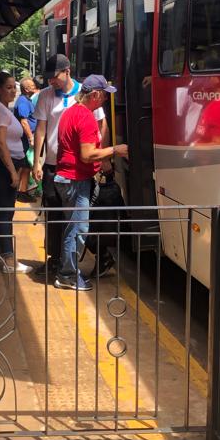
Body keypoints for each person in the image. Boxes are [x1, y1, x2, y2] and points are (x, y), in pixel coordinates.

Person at [32, 54, 106, 276]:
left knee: (79, 218)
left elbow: (102, 126)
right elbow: (41, 130)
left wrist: (101, 157)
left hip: (78, 167)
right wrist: (38, 160)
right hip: (54, 165)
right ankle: (55, 261)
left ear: (67, 72)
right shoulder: (45, 96)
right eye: (48, 79)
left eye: (54, 77)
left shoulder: (87, 92)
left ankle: (100, 256)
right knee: (54, 216)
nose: (50, 82)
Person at [53, 74, 128, 291]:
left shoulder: (71, 112)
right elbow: (87, 155)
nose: (105, 99)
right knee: (78, 229)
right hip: (75, 180)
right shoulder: (85, 117)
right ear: (95, 94)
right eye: (104, 95)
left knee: (74, 227)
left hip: (67, 178)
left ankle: (67, 272)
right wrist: (115, 150)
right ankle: (67, 275)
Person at [0, 71, 32, 273]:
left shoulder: (0, 109)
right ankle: (8, 259)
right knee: (4, 212)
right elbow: (0, 143)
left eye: (15, 87)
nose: (13, 91)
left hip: (0, 165)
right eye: (9, 87)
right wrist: (12, 171)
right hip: (2, 166)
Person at [13, 77, 38, 202]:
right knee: (24, 166)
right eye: (32, 85)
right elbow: (24, 121)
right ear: (26, 89)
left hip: (26, 139)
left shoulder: (27, 100)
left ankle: (22, 190)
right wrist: (31, 137)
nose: (35, 87)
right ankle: (20, 191)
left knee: (26, 166)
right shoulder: (23, 101)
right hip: (24, 140)